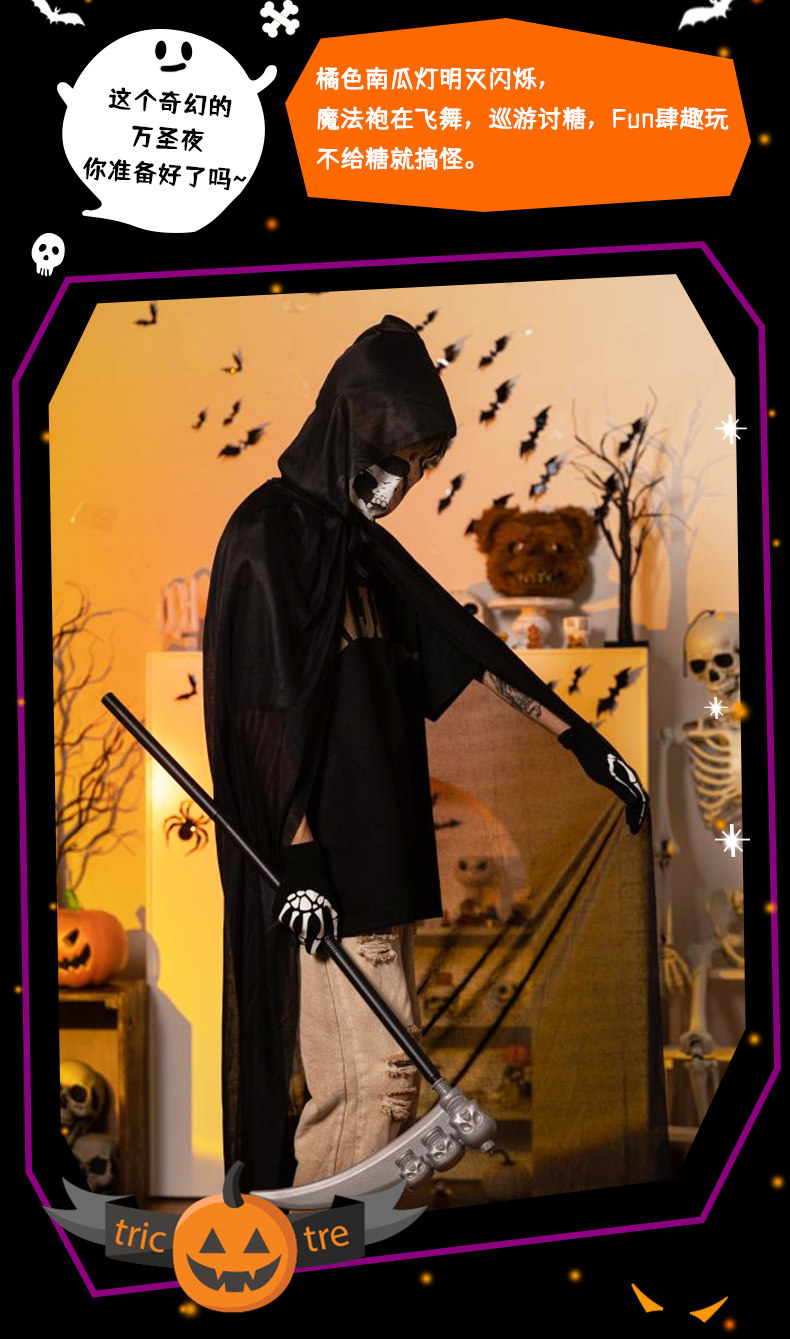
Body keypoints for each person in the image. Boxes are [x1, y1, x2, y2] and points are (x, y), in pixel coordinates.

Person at [202, 314, 649, 1192]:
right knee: (373, 1088)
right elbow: (260, 718)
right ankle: (304, 1250)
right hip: (330, 876)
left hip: (388, 862)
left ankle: (334, 1247)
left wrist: (581, 744)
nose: (403, 481)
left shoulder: (365, 553)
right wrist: (298, 860)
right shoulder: (269, 533)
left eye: (418, 466)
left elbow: (467, 660)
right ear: (352, 428)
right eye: (398, 457)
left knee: (384, 1091)